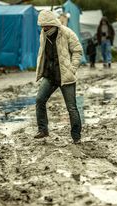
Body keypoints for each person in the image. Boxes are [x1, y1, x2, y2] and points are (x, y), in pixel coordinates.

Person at [34, 10, 83, 144]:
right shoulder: (43, 34)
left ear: (52, 24)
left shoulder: (66, 33)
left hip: (66, 76)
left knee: (72, 108)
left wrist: (72, 69)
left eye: (46, 26)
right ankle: (43, 130)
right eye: (42, 26)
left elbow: (78, 50)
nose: (44, 28)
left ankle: (76, 136)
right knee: (39, 100)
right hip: (50, 76)